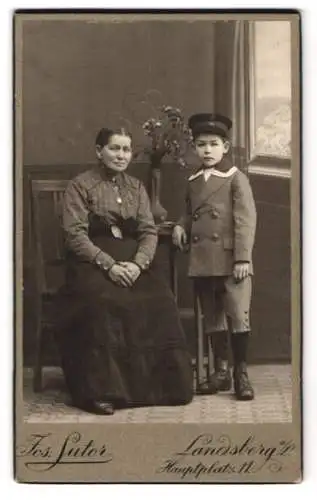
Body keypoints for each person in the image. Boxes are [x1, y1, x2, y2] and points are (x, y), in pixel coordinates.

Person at [55, 126, 193, 415]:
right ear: (98, 151)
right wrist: (109, 265)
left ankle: (161, 388)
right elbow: (75, 235)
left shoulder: (136, 187)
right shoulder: (80, 186)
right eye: (114, 148)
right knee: (103, 302)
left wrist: (138, 264)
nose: (121, 155)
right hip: (91, 263)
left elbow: (148, 231)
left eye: (126, 149)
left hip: (132, 261)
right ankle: (99, 391)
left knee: (161, 300)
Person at [172, 113, 257, 401]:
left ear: (226, 146)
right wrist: (181, 227)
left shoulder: (235, 178)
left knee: (237, 315)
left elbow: (246, 220)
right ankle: (220, 371)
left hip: (231, 260)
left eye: (213, 144)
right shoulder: (193, 180)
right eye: (200, 144)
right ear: (194, 148)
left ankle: (240, 373)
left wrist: (243, 258)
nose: (207, 150)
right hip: (203, 259)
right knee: (213, 317)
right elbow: (188, 210)